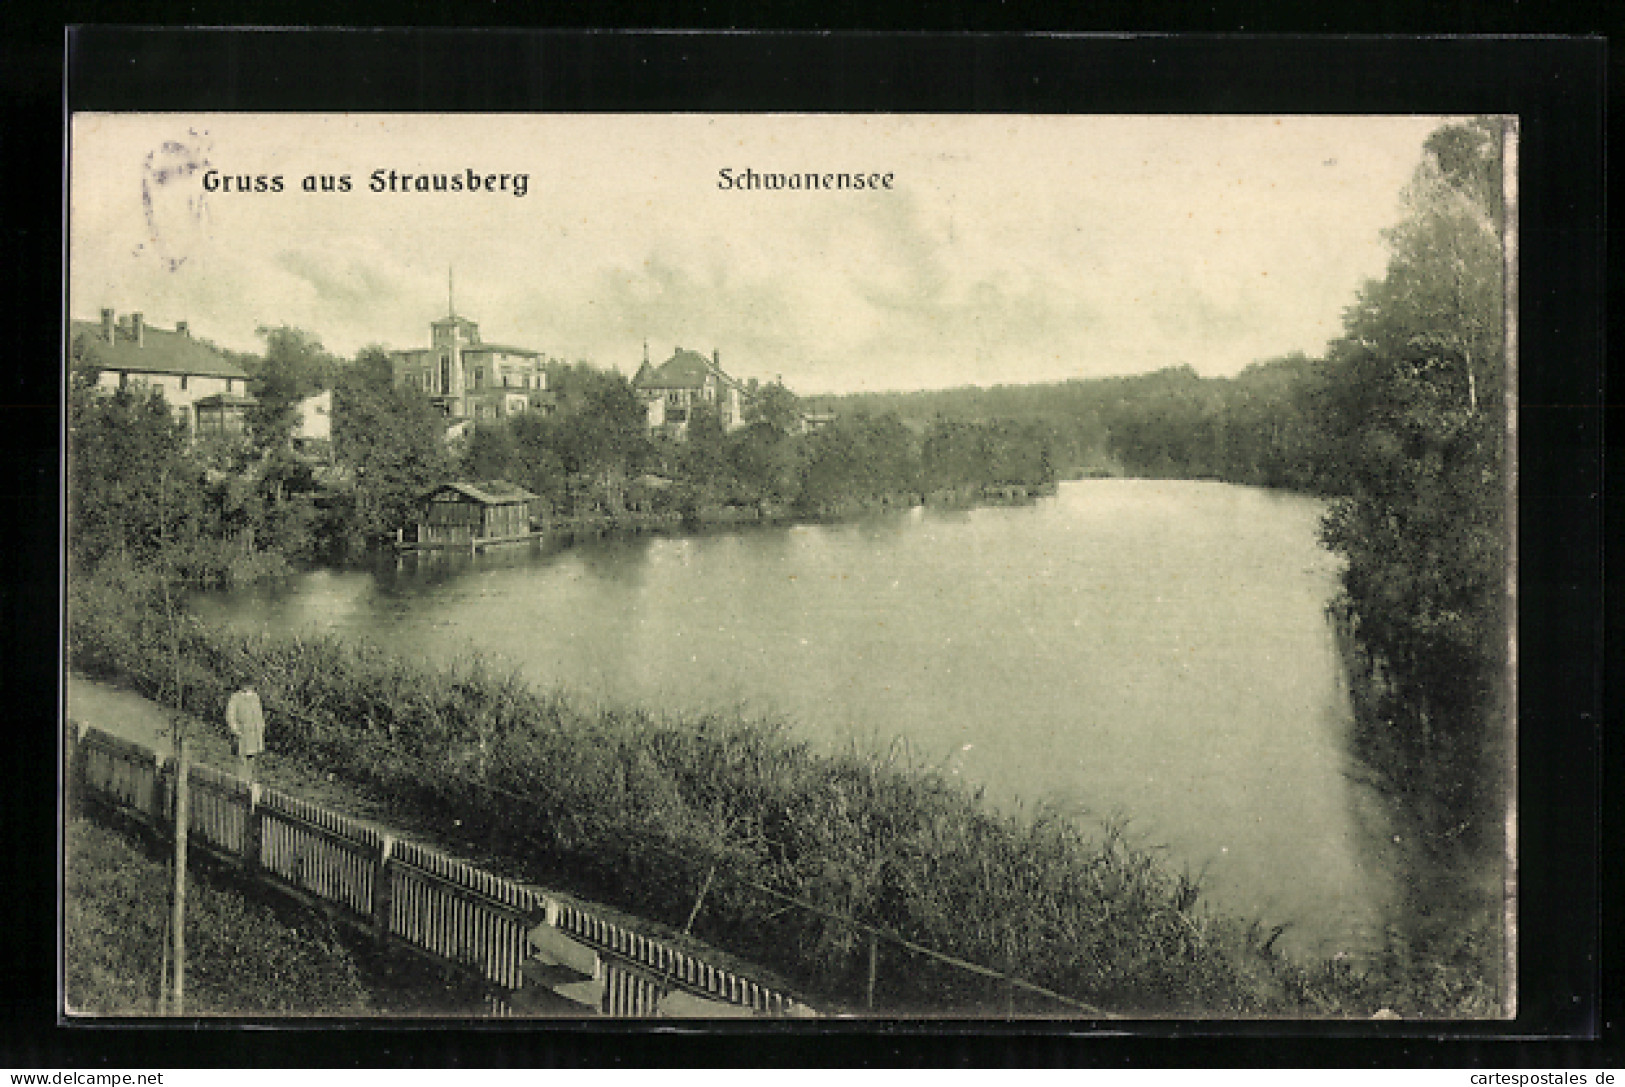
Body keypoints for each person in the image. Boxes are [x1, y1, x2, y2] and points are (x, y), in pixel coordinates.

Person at [226, 684, 266, 782]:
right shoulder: (236, 698)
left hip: (255, 733)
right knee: (242, 759)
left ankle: (250, 782)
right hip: (243, 733)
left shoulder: (255, 697)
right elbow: (230, 716)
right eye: (246, 685)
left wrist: (261, 727)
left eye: (250, 685)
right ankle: (241, 782)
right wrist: (235, 730)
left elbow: (259, 714)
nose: (248, 687)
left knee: (252, 759)